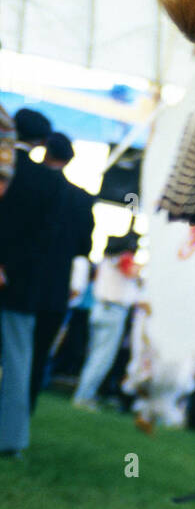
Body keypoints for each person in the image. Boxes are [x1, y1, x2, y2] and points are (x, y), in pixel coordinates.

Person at [0, 108, 58, 457]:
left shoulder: (10, 172)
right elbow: (44, 242)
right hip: (22, 285)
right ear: (41, 142)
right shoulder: (50, 183)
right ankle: (10, 441)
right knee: (18, 362)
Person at [30, 132, 94, 409]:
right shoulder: (81, 199)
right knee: (38, 355)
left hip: (23, 280)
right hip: (55, 287)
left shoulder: (31, 184)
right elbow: (84, 247)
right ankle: (20, 421)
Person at [72, 232, 141, 410]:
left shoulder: (106, 261)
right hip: (113, 311)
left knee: (95, 355)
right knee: (101, 358)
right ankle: (84, 396)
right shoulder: (123, 259)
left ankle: (84, 393)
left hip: (100, 308)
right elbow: (133, 272)